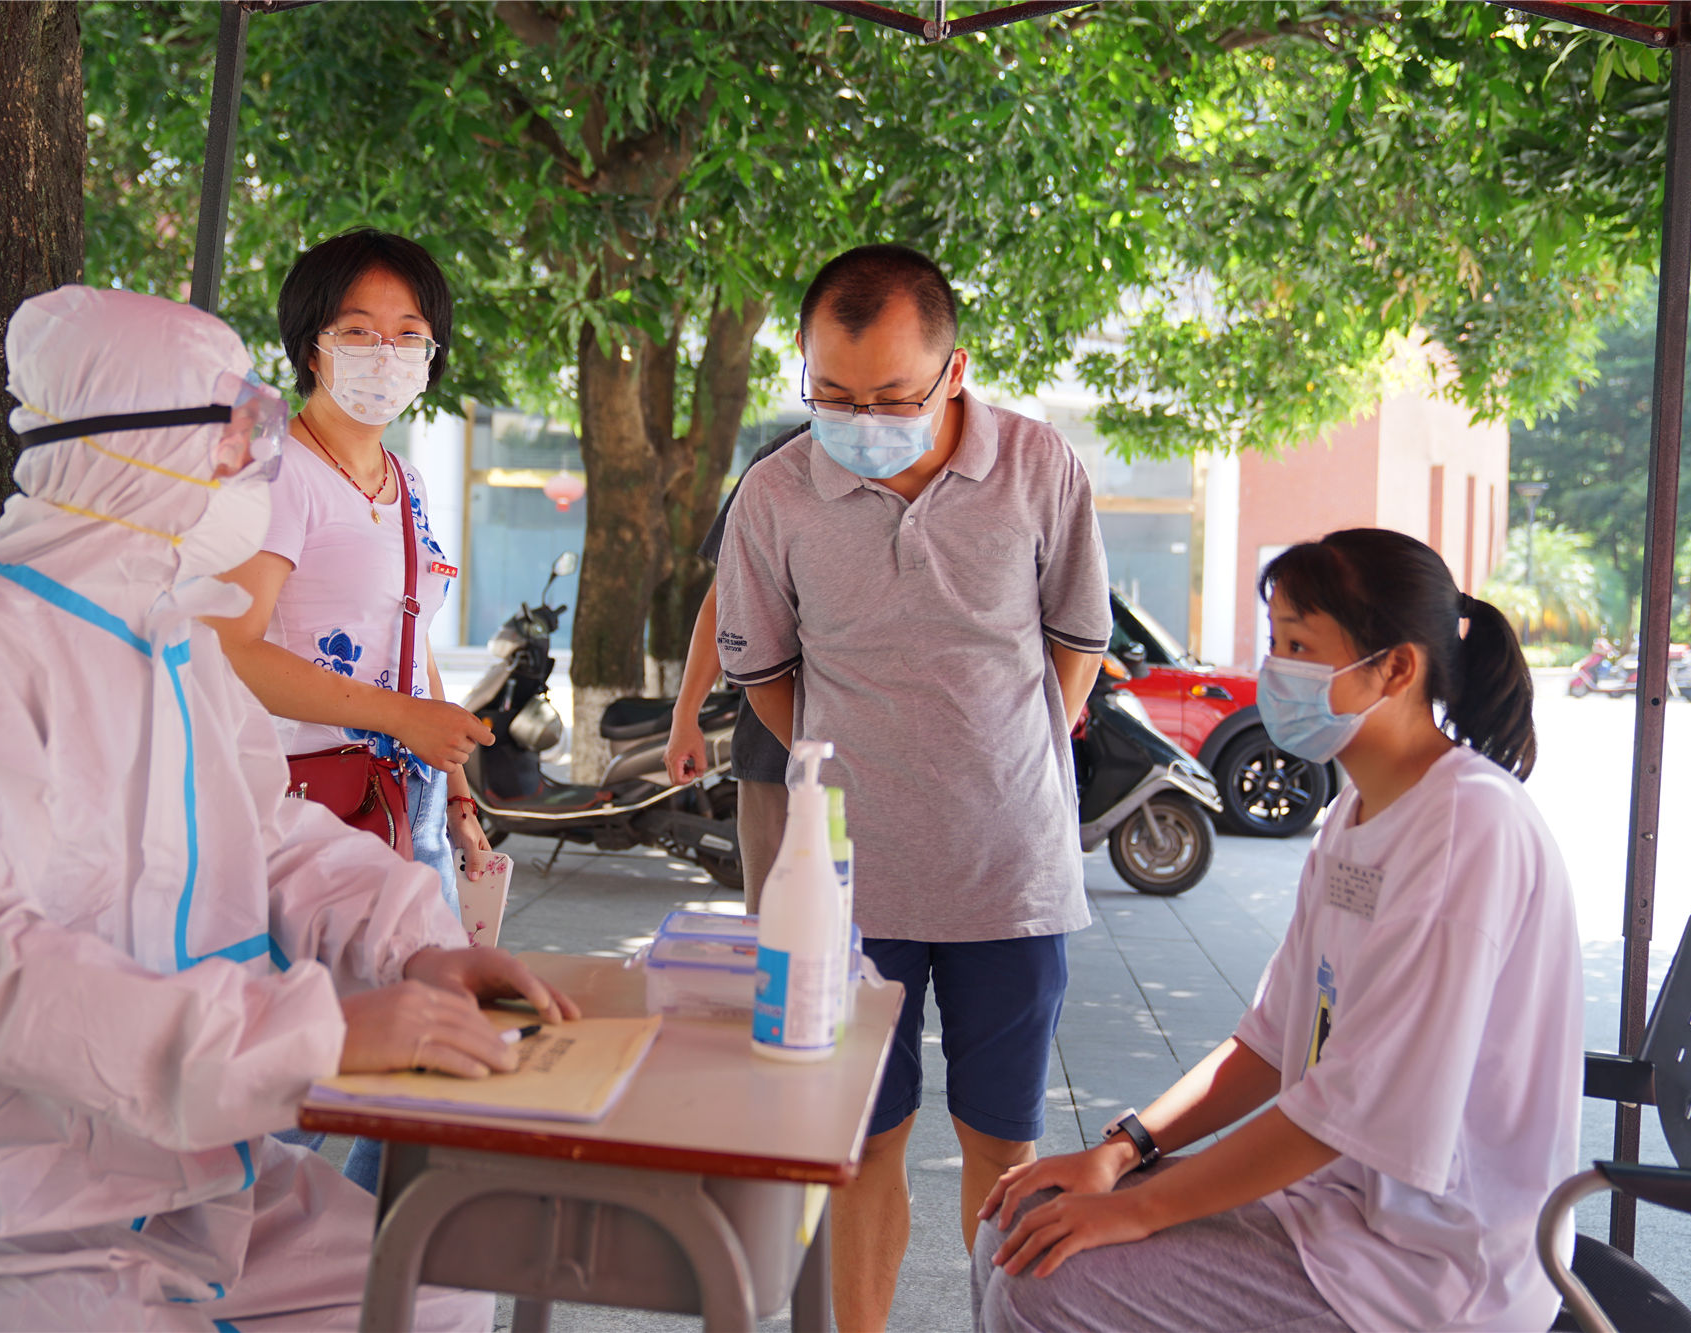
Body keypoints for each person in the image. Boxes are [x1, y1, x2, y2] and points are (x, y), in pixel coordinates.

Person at [0, 286, 577, 1332]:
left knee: (434, 1284)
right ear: (133, 450)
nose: (261, 459)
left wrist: (413, 949)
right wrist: (312, 1034)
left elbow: (273, 838)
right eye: (240, 427)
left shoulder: (174, 648)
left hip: (185, 1187)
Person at [971, 527, 1581, 1333]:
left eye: (1299, 643)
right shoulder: (1356, 814)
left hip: (1431, 1269)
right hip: (1337, 1210)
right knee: (1017, 1223)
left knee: (1045, 1281)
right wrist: (1122, 1151)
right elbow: (1268, 1040)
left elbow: (1357, 1108)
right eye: (1274, 641)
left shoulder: (1467, 825)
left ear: (1396, 667)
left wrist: (1141, 1211)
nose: (1275, 669)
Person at [713, 244, 1112, 1330]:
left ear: (954, 370)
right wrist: (855, 770)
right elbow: (764, 678)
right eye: (832, 393)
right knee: (856, 1142)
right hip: (845, 888)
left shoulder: (1039, 468)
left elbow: (1071, 648)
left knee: (1004, 1150)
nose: (861, 417)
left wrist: (995, 752)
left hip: (1008, 879)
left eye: (892, 395)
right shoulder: (774, 491)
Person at [210, 228, 493, 920]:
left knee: (430, 1005)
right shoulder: (272, 466)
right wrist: (403, 718)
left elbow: (411, 638)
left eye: (409, 333)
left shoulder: (411, 482)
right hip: (306, 802)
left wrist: (455, 789)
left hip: (410, 798)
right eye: (360, 331)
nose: (387, 353)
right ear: (313, 346)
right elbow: (231, 650)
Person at [663, 425, 806, 911]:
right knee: (777, 937)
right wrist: (686, 716)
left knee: (881, 957)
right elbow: (724, 598)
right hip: (775, 756)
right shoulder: (780, 464)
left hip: (903, 770)